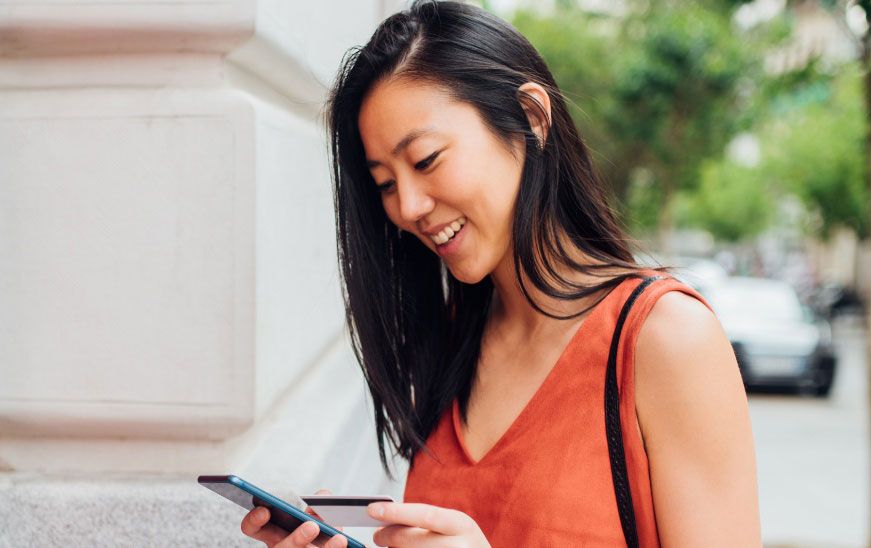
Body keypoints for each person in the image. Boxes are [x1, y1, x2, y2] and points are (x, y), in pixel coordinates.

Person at [239, 2, 759, 546]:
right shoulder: (456, 334)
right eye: (385, 184)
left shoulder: (665, 339)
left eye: (425, 159)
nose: (408, 207)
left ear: (531, 117)